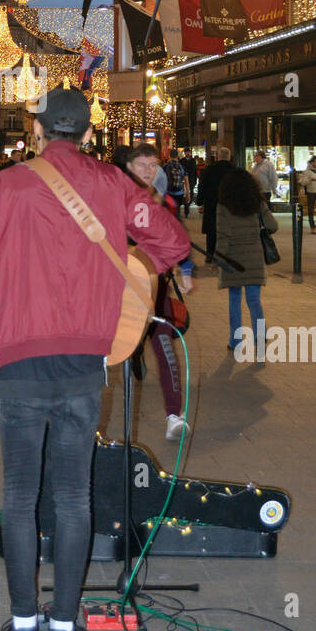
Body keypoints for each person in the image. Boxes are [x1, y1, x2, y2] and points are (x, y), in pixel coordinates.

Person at [0, 87, 190, 631]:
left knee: (20, 496)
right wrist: (131, 273)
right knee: (74, 496)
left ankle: (23, 625)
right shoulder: (117, 185)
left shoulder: (3, 186)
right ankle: (67, 628)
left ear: (39, 130)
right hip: (83, 362)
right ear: (89, 135)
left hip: (19, 358)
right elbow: (172, 241)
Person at [109, 143, 194, 441]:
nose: (148, 169)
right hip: (118, 282)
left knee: (163, 342)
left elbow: (177, 234)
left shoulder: (163, 200)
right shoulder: (115, 196)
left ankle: (174, 415)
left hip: (155, 283)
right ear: (129, 167)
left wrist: (185, 270)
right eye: (141, 164)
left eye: (152, 164)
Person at [216, 167, 278, 354]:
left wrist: (219, 258)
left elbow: (223, 235)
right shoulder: (257, 203)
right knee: (254, 300)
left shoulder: (223, 206)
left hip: (233, 258)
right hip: (254, 257)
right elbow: (272, 225)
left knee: (234, 300)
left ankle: (235, 341)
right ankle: (260, 337)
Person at [196, 146, 233, 265]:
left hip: (212, 203)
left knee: (212, 230)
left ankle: (210, 254)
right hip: (229, 204)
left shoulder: (210, 169)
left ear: (218, 156)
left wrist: (200, 202)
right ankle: (226, 254)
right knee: (228, 229)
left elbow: (202, 186)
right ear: (229, 157)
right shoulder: (234, 170)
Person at [162, 152, 188, 217]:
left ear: (169, 156)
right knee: (177, 211)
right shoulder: (182, 167)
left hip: (169, 192)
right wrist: (188, 193)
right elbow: (186, 181)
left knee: (169, 212)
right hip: (179, 192)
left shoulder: (165, 166)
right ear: (177, 156)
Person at [180, 149, 198, 217]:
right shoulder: (182, 161)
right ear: (185, 153)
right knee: (185, 194)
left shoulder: (193, 160)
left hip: (191, 180)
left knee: (191, 193)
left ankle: (187, 205)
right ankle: (186, 208)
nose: (187, 153)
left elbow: (195, 170)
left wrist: (195, 180)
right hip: (184, 180)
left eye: (188, 152)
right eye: (186, 152)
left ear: (190, 153)